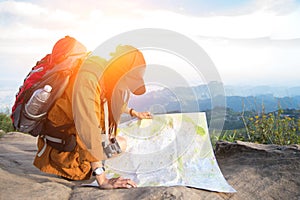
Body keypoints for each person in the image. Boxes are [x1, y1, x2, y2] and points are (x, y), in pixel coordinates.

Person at [33, 45, 151, 189]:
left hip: (71, 139)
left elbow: (104, 101)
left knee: (119, 143)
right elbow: (88, 128)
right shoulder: (88, 80)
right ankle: (77, 166)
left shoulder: (102, 72)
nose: (126, 88)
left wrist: (133, 112)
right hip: (64, 150)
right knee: (120, 144)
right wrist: (102, 179)